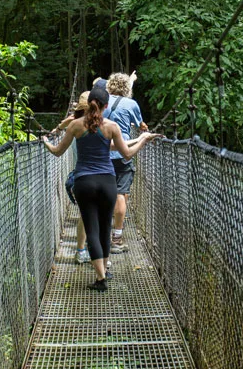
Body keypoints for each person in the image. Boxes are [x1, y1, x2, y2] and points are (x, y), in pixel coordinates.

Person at [43, 87, 159, 292]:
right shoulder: (112, 127)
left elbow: (58, 152)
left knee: (92, 229)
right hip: (108, 183)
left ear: (89, 104)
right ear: (106, 106)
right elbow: (126, 153)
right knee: (106, 228)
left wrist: (45, 142)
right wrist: (142, 139)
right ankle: (104, 271)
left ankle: (100, 278)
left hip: (84, 183)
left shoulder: (75, 126)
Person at [103, 72, 146, 253]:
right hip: (123, 152)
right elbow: (139, 124)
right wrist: (145, 129)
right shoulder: (131, 104)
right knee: (121, 194)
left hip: (102, 152)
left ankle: (100, 236)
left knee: (103, 194)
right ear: (127, 88)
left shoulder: (101, 102)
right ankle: (117, 238)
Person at [57, 91, 91, 264]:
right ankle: (97, 253)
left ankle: (80, 250)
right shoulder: (103, 123)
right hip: (100, 174)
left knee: (85, 214)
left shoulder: (73, 122)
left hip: (79, 174)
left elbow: (58, 148)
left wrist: (53, 133)